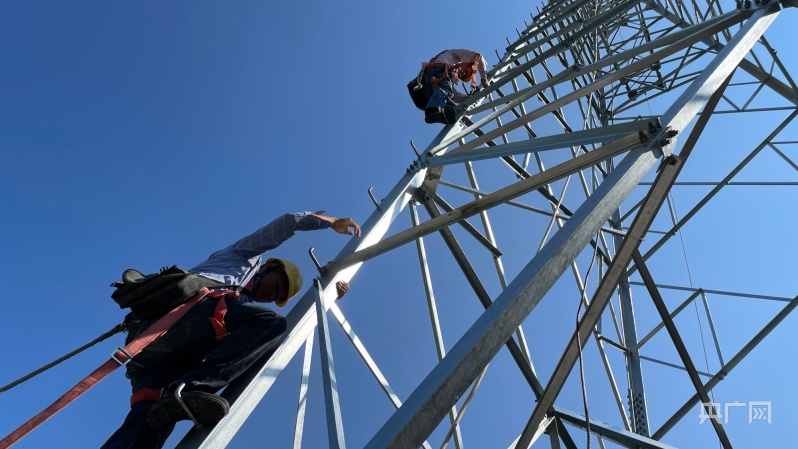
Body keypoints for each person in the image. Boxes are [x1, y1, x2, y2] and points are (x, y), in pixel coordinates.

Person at [102, 211, 361, 449]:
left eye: (278, 296)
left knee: (151, 424)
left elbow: (262, 345)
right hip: (176, 319)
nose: (272, 293)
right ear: (270, 267)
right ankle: (196, 387)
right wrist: (329, 222)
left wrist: (326, 299)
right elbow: (287, 223)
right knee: (271, 323)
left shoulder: (242, 309)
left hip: (160, 358)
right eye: (278, 283)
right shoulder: (244, 257)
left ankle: (185, 392)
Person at [412, 49, 489, 125]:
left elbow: (453, 96)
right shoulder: (453, 55)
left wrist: (466, 98)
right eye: (467, 71)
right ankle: (433, 111)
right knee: (445, 89)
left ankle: (441, 116)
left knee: (454, 111)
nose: (463, 74)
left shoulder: (448, 79)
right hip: (436, 70)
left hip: (428, 85)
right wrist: (484, 78)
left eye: (464, 76)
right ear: (466, 63)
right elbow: (478, 56)